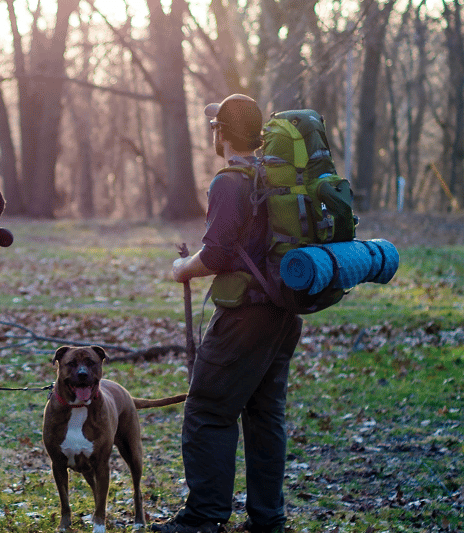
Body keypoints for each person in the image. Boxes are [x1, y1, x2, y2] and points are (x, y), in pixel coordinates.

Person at [156, 94, 304, 533]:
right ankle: (267, 520)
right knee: (265, 415)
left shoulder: (229, 182)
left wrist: (184, 268)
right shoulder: (276, 176)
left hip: (245, 316)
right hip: (284, 313)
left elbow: (217, 254)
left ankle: (203, 519)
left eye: (214, 127)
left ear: (220, 132)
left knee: (207, 410)